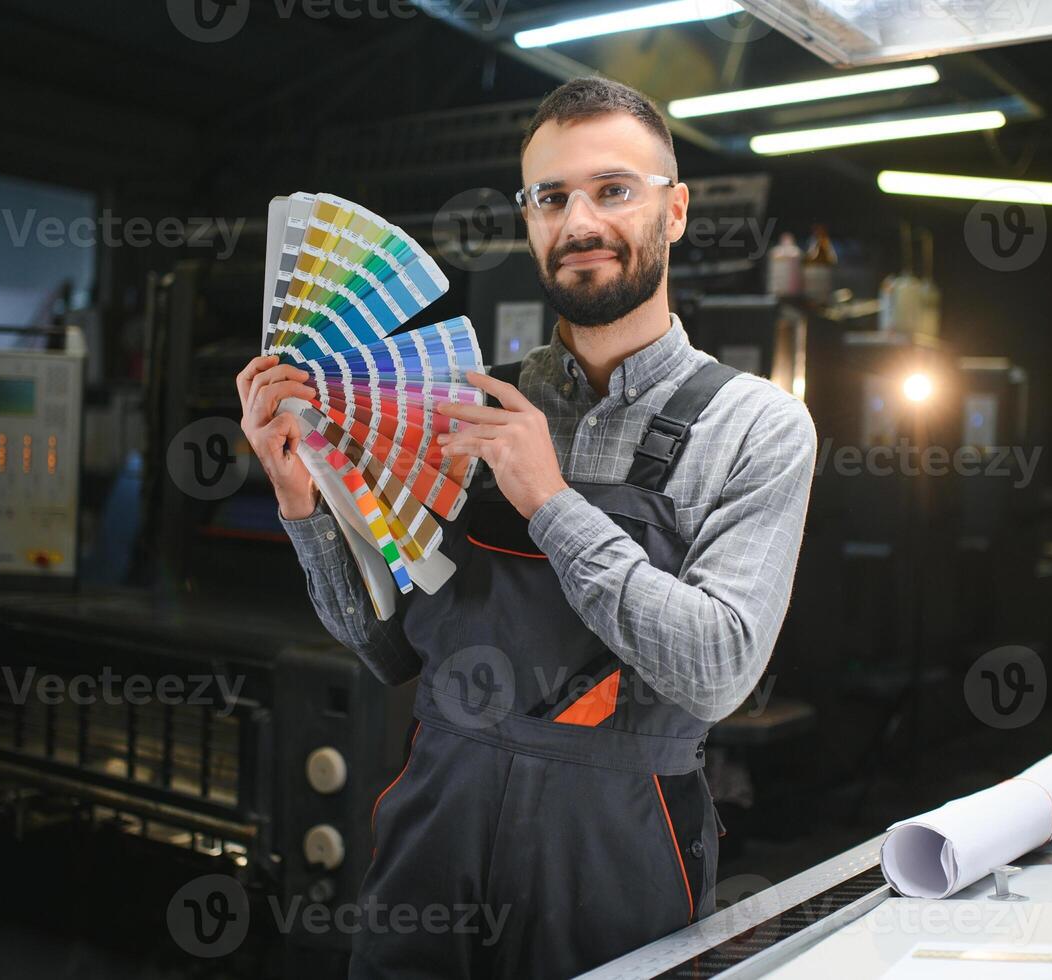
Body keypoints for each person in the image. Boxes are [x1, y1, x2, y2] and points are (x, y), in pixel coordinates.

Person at [235, 76, 817, 979]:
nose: (579, 220)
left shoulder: (754, 427)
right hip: (438, 815)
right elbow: (390, 651)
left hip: (612, 843)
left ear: (675, 210)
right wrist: (302, 506)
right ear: (530, 219)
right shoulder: (452, 401)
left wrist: (550, 503)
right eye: (552, 198)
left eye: (613, 190)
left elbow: (715, 675)